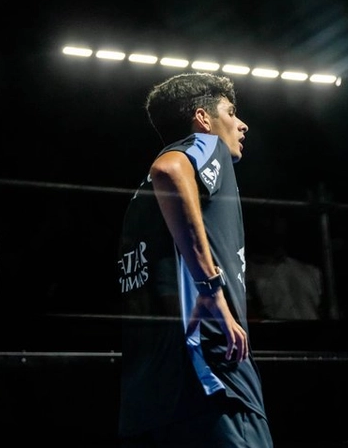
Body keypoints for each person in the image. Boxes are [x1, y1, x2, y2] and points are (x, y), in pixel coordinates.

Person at [115, 72, 273, 447]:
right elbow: (168, 169)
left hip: (150, 395)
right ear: (203, 118)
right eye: (231, 112)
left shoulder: (138, 203)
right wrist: (212, 290)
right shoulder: (204, 144)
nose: (241, 123)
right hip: (212, 377)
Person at [246, 215, 325, 320]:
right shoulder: (243, 276)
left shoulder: (310, 271)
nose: (273, 225)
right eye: (266, 218)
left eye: (278, 218)